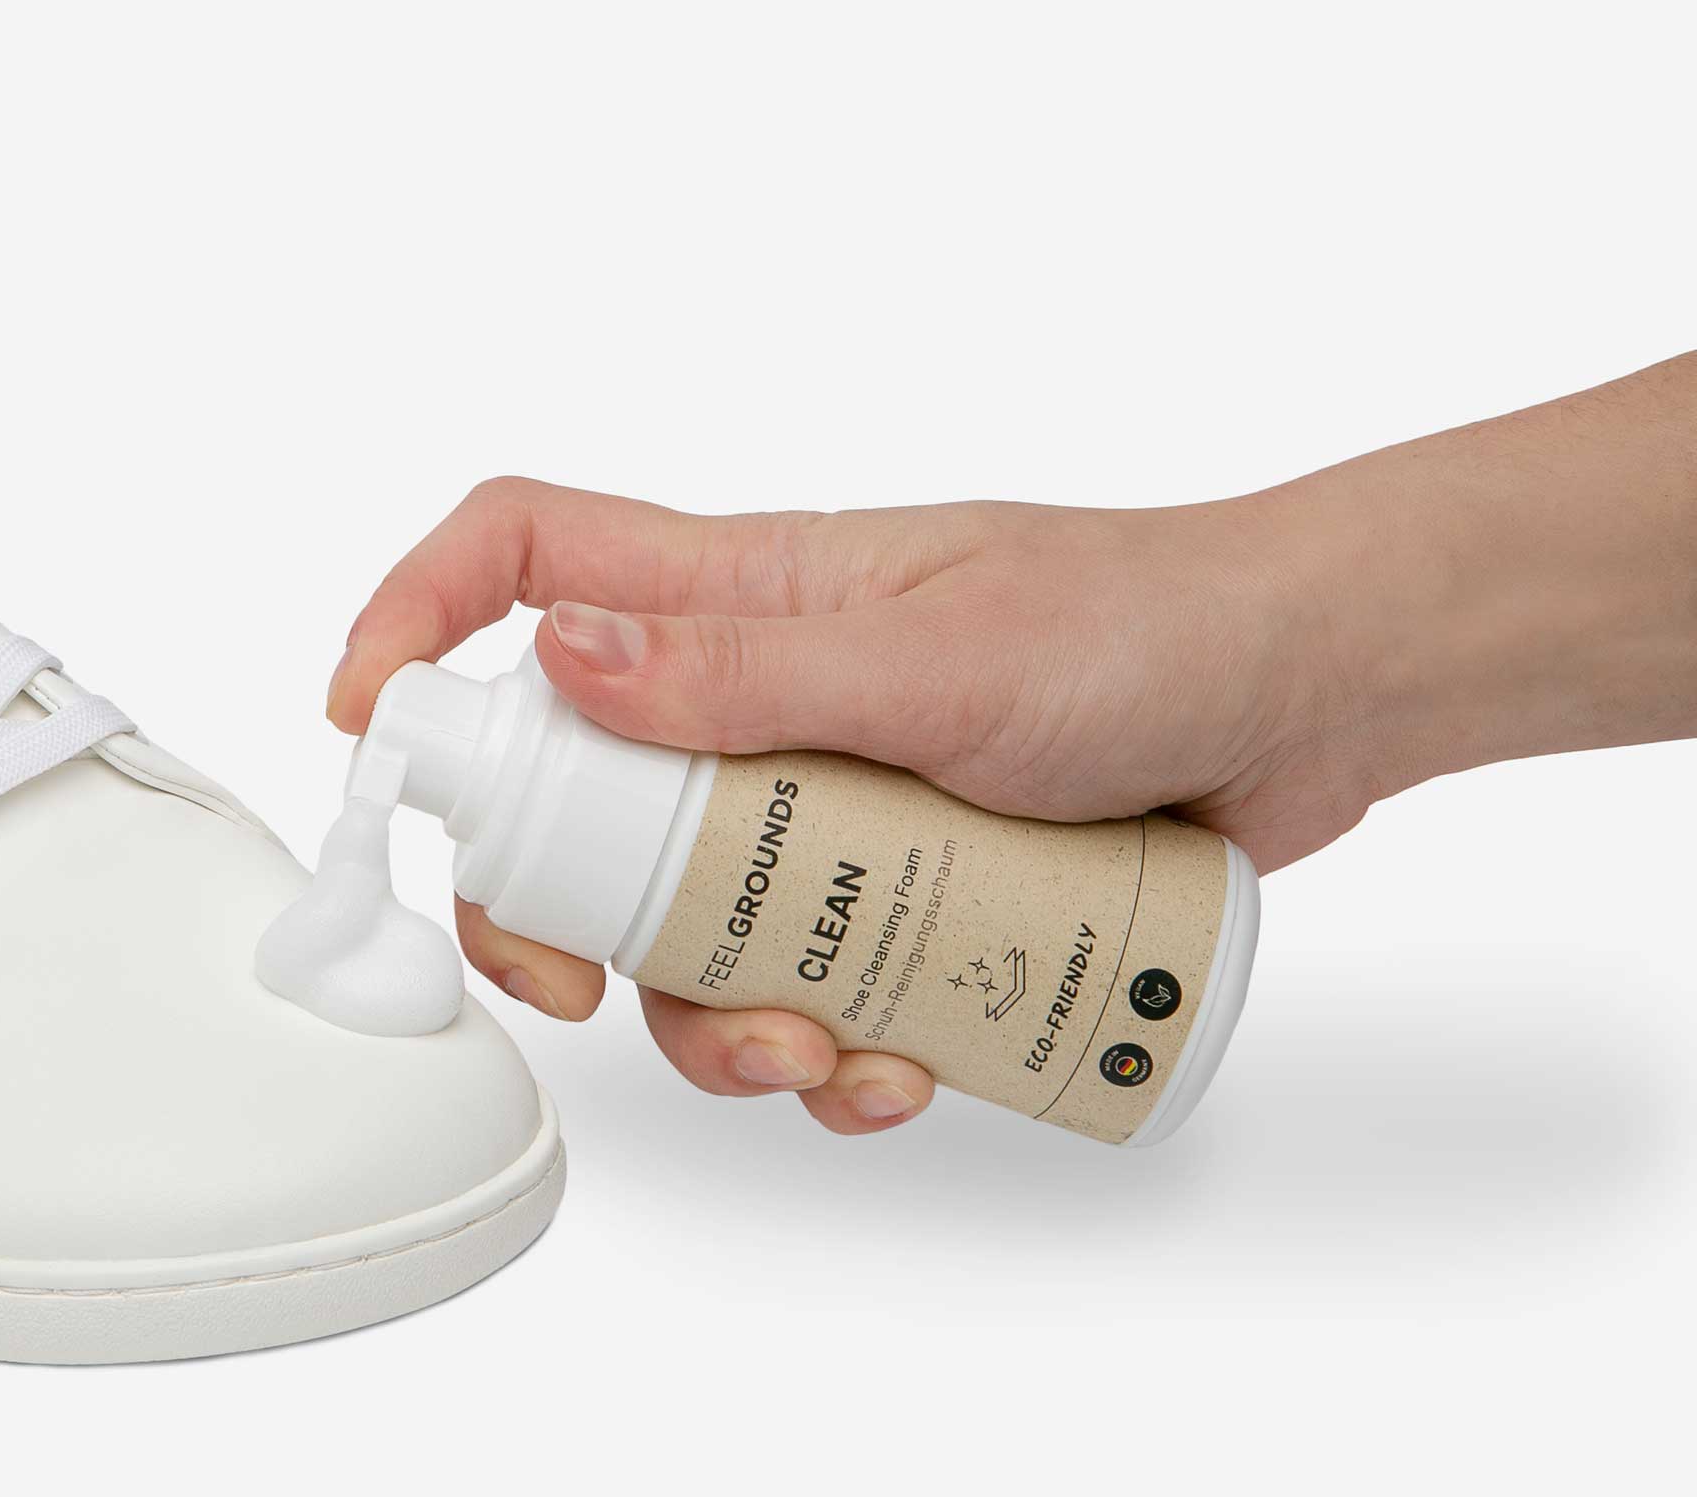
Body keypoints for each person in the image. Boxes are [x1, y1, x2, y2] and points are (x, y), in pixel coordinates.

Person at [323, 350, 1697, 1134]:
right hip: (1128, 923)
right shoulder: (535, 838)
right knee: (807, 997)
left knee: (817, 975)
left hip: (1155, 922)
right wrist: (1325, 667)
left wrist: (1311, 656)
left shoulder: (583, 750)